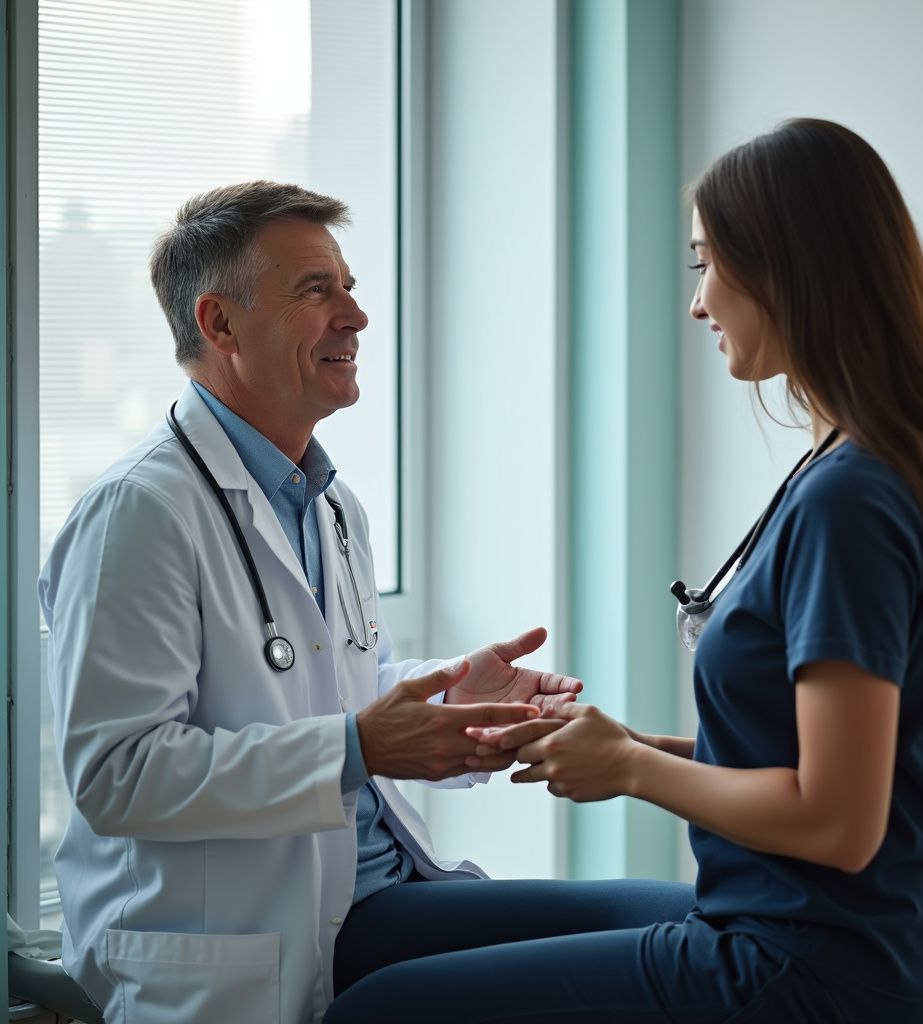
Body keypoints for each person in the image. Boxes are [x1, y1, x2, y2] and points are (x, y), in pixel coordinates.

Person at [325, 120, 923, 1023]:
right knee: (381, 946)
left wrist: (627, 769)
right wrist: (635, 745)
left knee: (378, 1011)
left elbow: (841, 822)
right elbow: (826, 767)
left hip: (795, 967)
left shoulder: (851, 501)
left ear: (783, 270)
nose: (699, 304)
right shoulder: (856, 469)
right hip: (827, 942)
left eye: (705, 265)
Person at [41, 181, 694, 1024]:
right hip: (248, 949)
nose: (355, 315)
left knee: (691, 923)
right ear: (220, 325)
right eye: (317, 290)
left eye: (347, 287)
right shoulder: (139, 511)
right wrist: (358, 747)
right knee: (679, 961)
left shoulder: (328, 502)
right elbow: (115, 776)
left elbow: (326, 684)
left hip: (365, 904)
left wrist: (454, 694)